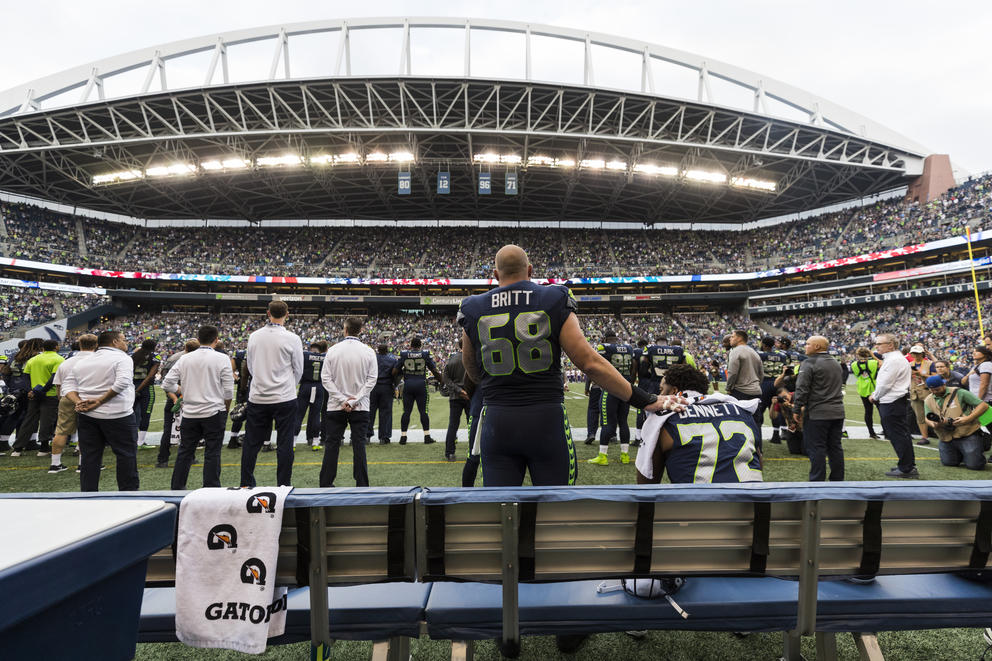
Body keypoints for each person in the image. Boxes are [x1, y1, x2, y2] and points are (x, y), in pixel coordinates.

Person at [457, 244, 680, 488]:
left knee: (503, 509)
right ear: (530, 270)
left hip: (497, 421)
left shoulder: (473, 307)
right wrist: (644, 399)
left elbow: (472, 368)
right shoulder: (553, 297)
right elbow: (589, 362)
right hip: (546, 418)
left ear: (496, 274)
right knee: (556, 507)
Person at [636, 363, 762, 484]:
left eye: (661, 389)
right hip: (750, 501)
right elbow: (758, 461)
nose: (659, 395)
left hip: (698, 503)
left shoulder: (665, 417)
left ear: (673, 391)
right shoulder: (743, 411)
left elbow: (647, 480)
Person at [61, 330, 139, 492]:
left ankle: (88, 495)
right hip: (118, 415)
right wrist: (99, 401)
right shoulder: (122, 358)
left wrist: (79, 402)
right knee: (126, 456)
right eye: (124, 339)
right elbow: (122, 383)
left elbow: (67, 385)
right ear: (115, 342)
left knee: (89, 457)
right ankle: (128, 494)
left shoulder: (82, 362)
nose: (127, 343)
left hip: (88, 416)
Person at [162, 325, 235, 490]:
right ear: (216, 340)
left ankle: (177, 487)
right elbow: (229, 390)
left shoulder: (185, 358)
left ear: (198, 338)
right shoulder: (221, 358)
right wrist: (226, 407)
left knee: (185, 452)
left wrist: (182, 391)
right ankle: (211, 487)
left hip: (190, 413)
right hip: (214, 411)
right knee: (212, 452)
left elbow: (166, 383)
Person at [241, 300, 304, 488]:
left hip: (258, 395)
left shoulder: (254, 336)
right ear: (287, 314)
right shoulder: (292, 338)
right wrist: (288, 386)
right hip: (284, 397)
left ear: (268, 313)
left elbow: (250, 366)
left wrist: (263, 380)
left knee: (252, 442)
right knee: (285, 443)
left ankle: (246, 482)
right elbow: (298, 369)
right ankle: (283, 484)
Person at [319, 316, 376, 488]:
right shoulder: (368, 351)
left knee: (332, 444)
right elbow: (372, 380)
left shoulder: (333, 350)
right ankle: (362, 483)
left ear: (345, 329)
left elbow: (325, 379)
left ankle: (326, 482)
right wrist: (354, 400)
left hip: (336, 405)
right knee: (359, 444)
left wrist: (343, 399)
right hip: (360, 405)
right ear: (361, 330)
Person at [792, 336, 845, 482]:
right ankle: (837, 479)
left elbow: (802, 388)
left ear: (816, 347)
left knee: (816, 447)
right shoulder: (835, 363)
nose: (805, 346)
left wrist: (796, 409)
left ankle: (817, 481)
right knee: (835, 447)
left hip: (818, 413)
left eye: (808, 344)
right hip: (838, 411)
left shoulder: (809, 363)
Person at [869, 333, 918, 478]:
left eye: (879, 344)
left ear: (890, 345)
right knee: (899, 434)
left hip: (891, 401)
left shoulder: (894, 360)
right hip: (893, 401)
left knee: (898, 435)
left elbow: (885, 383)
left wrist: (875, 396)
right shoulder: (894, 359)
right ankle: (907, 465)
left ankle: (906, 468)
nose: (876, 346)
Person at [47, 334, 97, 473]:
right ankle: (83, 464)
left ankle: (55, 464)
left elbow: (58, 384)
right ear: (95, 345)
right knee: (87, 431)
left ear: (80, 345)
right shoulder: (98, 360)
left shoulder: (66, 361)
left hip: (67, 397)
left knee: (61, 431)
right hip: (89, 398)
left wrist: (61, 399)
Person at [588, 330, 636, 466]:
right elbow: (633, 367)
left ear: (605, 339)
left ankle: (603, 456)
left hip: (610, 388)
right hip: (626, 388)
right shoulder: (628, 348)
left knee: (608, 423)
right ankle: (625, 455)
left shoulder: (604, 347)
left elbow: (596, 365)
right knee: (623, 421)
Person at [923, 375, 988, 471]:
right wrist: (933, 424)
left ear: (944, 384)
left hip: (967, 433)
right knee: (949, 463)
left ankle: (976, 451)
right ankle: (964, 454)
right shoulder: (928, 399)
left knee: (975, 465)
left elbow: (983, 405)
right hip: (946, 436)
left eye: (937, 389)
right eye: (931, 390)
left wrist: (968, 418)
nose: (934, 392)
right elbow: (927, 417)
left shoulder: (959, 392)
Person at [12, 339, 64, 457]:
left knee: (29, 420)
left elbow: (25, 377)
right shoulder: (59, 359)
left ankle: (17, 449)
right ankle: (44, 448)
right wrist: (42, 391)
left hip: (33, 394)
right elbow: (54, 378)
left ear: (43, 348)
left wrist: (30, 390)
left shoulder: (33, 359)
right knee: (47, 421)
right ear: (55, 347)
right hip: (49, 394)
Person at [155, 339, 199, 467]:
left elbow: (165, 382)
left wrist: (174, 398)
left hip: (174, 396)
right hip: (187, 397)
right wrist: (178, 398)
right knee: (189, 430)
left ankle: (162, 459)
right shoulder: (191, 360)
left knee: (168, 429)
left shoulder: (173, 358)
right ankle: (189, 457)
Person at [392, 337, 443, 445]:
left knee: (406, 411)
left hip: (408, 384)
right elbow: (434, 370)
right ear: (420, 346)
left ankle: (403, 437)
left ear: (410, 345)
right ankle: (427, 436)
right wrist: (442, 381)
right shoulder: (424, 354)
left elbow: (394, 371)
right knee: (423, 411)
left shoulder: (404, 354)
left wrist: (403, 374)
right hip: (421, 384)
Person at [725, 330, 764, 449]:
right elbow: (761, 374)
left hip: (740, 391)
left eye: (732, 336)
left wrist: (729, 388)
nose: (730, 339)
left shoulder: (736, 351)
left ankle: (741, 449)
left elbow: (732, 372)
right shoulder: (754, 352)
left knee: (738, 422)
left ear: (739, 338)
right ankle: (758, 449)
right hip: (756, 391)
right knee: (756, 423)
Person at [4, 338, 42, 455]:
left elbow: (5, 373)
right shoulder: (35, 358)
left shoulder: (14, 356)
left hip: (15, 389)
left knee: (13, 416)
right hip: (29, 390)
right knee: (31, 416)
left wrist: (11, 386)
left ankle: (3, 442)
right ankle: (30, 441)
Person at [296, 341, 328, 450]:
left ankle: (293, 443)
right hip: (318, 387)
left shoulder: (305, 355)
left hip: (305, 386)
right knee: (315, 415)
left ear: (311, 349)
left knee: (299, 415)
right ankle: (315, 442)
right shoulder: (325, 356)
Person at [757, 336, 789, 444]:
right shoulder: (782, 355)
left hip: (765, 383)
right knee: (775, 408)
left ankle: (757, 433)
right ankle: (776, 435)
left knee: (760, 409)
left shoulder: (760, 354)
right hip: (778, 384)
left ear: (764, 345)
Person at [442, 347, 471, 461]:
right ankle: (474, 451)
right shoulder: (471, 359)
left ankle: (450, 453)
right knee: (472, 424)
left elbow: (446, 378)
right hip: (469, 395)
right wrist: (465, 391)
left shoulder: (451, 360)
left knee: (453, 425)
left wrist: (458, 390)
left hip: (455, 396)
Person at [130, 338, 161, 447]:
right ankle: (141, 441)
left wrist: (133, 389)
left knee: (130, 413)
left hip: (132, 386)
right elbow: (151, 375)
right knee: (146, 414)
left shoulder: (134, 355)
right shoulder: (155, 356)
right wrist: (139, 389)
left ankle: (131, 439)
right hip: (146, 388)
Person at [368, 342, 399, 444]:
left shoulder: (372, 359)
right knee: (385, 412)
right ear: (387, 350)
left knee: (370, 412)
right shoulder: (392, 360)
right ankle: (384, 437)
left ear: (378, 350)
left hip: (373, 387)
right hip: (386, 386)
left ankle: (367, 435)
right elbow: (396, 374)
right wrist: (395, 385)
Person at [906, 344, 936, 445]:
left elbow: (935, 378)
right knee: (920, 417)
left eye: (917, 353)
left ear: (922, 353)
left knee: (935, 414)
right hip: (915, 393)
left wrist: (922, 375)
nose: (915, 355)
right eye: (913, 353)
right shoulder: (909, 365)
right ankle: (924, 437)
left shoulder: (930, 364)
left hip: (928, 392)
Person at [851, 348, 881, 439]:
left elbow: (857, 375)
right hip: (874, 389)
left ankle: (871, 433)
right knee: (881, 410)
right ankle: (887, 431)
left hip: (862, 389)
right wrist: (873, 355)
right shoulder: (873, 363)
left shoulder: (854, 364)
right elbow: (881, 363)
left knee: (868, 411)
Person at [227, 346, 249, 449]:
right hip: (255, 386)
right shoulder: (259, 352)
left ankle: (233, 439)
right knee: (253, 414)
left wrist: (237, 379)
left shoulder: (241, 354)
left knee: (239, 413)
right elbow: (230, 370)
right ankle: (250, 438)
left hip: (243, 387)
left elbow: (229, 370)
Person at [583, 373, 603, 444]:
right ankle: (612, 434)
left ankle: (591, 433)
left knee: (593, 410)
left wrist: (587, 388)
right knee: (608, 411)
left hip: (596, 388)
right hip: (610, 388)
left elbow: (590, 372)